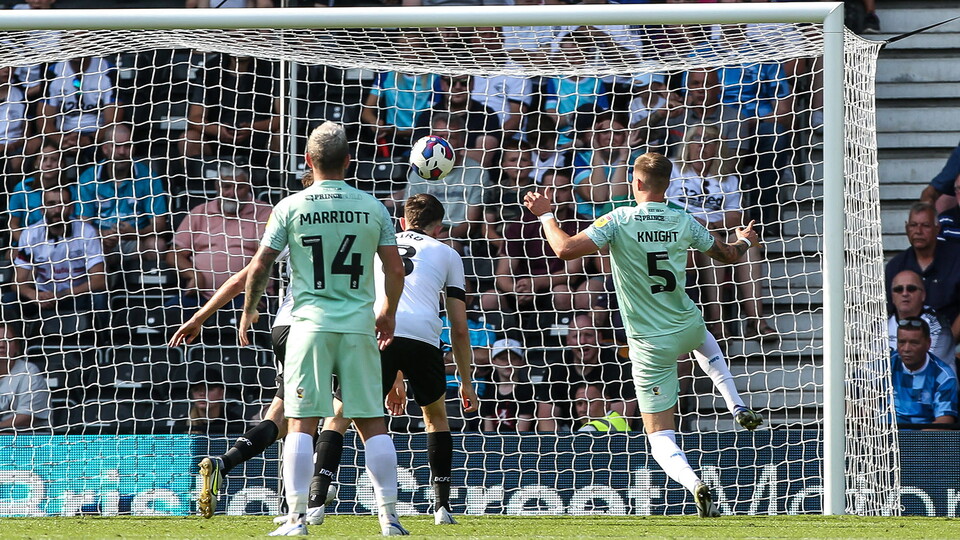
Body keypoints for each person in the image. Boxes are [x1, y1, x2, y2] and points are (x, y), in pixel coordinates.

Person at [523, 152, 763, 517]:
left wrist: (545, 213)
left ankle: (694, 483)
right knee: (704, 340)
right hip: (687, 325)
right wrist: (744, 240)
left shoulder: (619, 219)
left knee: (660, 435)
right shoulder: (684, 219)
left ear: (636, 183)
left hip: (650, 345)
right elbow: (729, 255)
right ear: (669, 185)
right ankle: (736, 403)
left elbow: (564, 249)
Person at [238, 121, 408, 536]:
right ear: (348, 161)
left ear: (309, 161)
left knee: (300, 421)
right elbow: (394, 266)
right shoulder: (373, 207)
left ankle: (296, 519)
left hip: (308, 326)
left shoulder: (291, 206)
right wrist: (388, 312)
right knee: (371, 422)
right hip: (358, 326)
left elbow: (260, 265)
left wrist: (250, 309)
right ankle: (389, 518)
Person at [306, 193, 479, 527]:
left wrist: (393, 375)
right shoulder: (448, 254)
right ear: (439, 227)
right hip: (424, 337)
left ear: (402, 222)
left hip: (375, 332)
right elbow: (459, 327)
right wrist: (466, 380)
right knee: (435, 417)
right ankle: (442, 508)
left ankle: (315, 501)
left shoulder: (377, 244)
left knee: (340, 413)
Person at [169, 170, 316, 520]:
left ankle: (225, 462)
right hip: (335, 325)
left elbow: (249, 272)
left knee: (283, 413)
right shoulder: (359, 214)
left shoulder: (285, 212)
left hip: (287, 323)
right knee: (335, 417)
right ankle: (306, 508)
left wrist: (203, 316)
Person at [666, 124, 775, 341]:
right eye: (697, 139)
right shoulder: (673, 170)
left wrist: (708, 224)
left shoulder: (727, 178)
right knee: (713, 241)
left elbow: (736, 217)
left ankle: (756, 321)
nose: (702, 145)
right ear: (688, 142)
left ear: (718, 147)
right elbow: (666, 205)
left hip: (719, 230)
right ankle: (718, 324)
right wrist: (704, 224)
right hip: (684, 233)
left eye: (710, 140)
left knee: (746, 242)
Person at [165, 163, 271, 320]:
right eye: (226, 186)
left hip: (246, 293)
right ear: (217, 186)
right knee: (168, 316)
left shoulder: (265, 212)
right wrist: (194, 275)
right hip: (201, 294)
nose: (232, 193)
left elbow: (267, 255)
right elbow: (174, 254)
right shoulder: (200, 212)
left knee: (247, 324)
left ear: (249, 187)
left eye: (239, 187)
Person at [5, 185, 107, 331]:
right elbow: (17, 281)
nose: (57, 210)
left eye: (63, 204)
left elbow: (99, 281)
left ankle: (102, 346)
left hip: (75, 296)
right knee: (8, 300)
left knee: (99, 297)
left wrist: (61, 295)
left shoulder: (87, 232)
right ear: (42, 209)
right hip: (42, 297)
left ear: (71, 208)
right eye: (51, 204)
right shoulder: (30, 235)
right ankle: (17, 349)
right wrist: (35, 295)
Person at [77, 124, 169, 265]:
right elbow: (83, 225)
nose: (122, 152)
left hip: (136, 241)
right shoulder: (88, 178)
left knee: (157, 246)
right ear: (105, 149)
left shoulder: (149, 178)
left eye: (127, 146)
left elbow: (159, 225)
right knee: (86, 247)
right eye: (117, 146)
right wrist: (102, 234)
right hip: (101, 242)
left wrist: (135, 233)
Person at [535, 314, 635, 431]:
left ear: (599, 338)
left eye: (588, 335)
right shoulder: (556, 369)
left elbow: (621, 420)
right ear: (568, 341)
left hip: (607, 439)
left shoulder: (619, 368)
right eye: (576, 336)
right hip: (568, 439)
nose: (582, 341)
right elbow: (546, 419)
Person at [884, 203, 960, 327]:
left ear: (937, 228)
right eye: (913, 225)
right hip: (909, 340)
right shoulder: (896, 266)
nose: (918, 231)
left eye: (925, 226)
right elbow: (891, 312)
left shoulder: (957, 259)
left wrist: (946, 342)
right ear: (906, 228)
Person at [40, 56, 119, 151]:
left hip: (96, 135)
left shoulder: (108, 70)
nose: (75, 45)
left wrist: (89, 140)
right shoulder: (53, 71)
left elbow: (113, 120)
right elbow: (44, 120)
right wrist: (61, 140)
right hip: (63, 134)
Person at [7, 140, 77, 248]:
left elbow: (75, 223)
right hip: (27, 243)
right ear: (36, 163)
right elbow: (13, 224)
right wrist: (25, 246)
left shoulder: (71, 191)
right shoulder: (22, 189)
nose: (48, 164)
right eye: (44, 159)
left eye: (54, 159)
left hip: (63, 245)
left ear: (62, 164)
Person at [890, 317, 957, 429]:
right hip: (884, 439)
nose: (906, 348)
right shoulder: (883, 365)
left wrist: (915, 442)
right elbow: (858, 401)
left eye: (914, 343)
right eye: (902, 342)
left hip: (922, 441)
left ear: (928, 343)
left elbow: (945, 421)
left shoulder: (944, 376)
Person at [887, 270, 957, 375]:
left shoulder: (938, 326)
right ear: (892, 296)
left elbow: (929, 371)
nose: (905, 293)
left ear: (923, 295)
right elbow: (872, 367)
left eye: (911, 289)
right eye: (898, 289)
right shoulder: (881, 325)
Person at [0, 323, 50, 432]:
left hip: (25, 440)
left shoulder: (29, 372)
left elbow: (26, 417)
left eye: (8, 341)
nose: (2, 345)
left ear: (17, 347)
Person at [479, 338, 536, 432]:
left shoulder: (526, 390)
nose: (508, 363)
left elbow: (522, 430)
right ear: (494, 362)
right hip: (494, 444)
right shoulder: (489, 391)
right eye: (503, 359)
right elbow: (488, 430)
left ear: (521, 362)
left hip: (518, 444)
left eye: (513, 359)